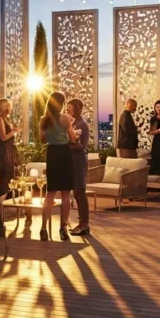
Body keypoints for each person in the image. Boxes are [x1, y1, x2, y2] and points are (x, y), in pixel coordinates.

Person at [41, 91, 77, 241]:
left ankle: (43, 228)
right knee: (65, 194)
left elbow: (42, 139)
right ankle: (63, 228)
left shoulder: (44, 120)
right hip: (64, 154)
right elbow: (73, 139)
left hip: (52, 155)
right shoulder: (65, 118)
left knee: (50, 194)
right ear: (61, 104)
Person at [66, 98, 91, 237]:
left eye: (70, 108)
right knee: (76, 193)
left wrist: (67, 143)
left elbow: (82, 146)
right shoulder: (72, 123)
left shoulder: (82, 125)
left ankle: (84, 224)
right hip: (72, 161)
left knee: (80, 192)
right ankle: (82, 223)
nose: (68, 110)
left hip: (79, 161)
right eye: (67, 108)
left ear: (77, 109)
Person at [0, 98, 20, 196]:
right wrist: (13, 132)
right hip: (3, 152)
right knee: (5, 179)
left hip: (8, 151)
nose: (11, 108)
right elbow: (3, 137)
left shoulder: (5, 119)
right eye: (9, 106)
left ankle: (9, 202)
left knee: (11, 177)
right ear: (4, 107)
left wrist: (13, 131)